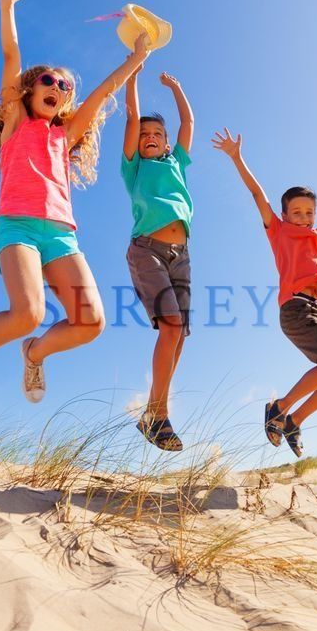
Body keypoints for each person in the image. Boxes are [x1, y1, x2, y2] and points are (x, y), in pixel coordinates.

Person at [0, 0, 151, 412]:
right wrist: (7, 10)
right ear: (28, 90)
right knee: (28, 313)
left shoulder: (65, 135)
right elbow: (10, 58)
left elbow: (102, 94)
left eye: (63, 85)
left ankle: (34, 354)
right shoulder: (17, 122)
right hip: (18, 225)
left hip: (60, 235)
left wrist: (137, 58)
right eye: (48, 80)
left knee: (91, 322)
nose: (57, 86)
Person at [213, 128, 317, 457]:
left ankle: (294, 421)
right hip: (295, 310)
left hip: (316, 310)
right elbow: (258, 195)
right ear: (285, 214)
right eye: (297, 213)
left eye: (308, 213)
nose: (304, 218)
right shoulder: (278, 231)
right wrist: (237, 157)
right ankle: (279, 407)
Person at [121, 68, 195, 451]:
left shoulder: (176, 163)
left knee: (179, 333)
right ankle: (159, 415)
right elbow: (132, 117)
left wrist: (176, 87)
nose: (150, 138)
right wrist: (134, 73)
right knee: (170, 326)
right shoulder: (134, 168)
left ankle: (153, 413)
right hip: (146, 249)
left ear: (166, 143)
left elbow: (188, 122)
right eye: (145, 135)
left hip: (181, 256)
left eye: (157, 135)